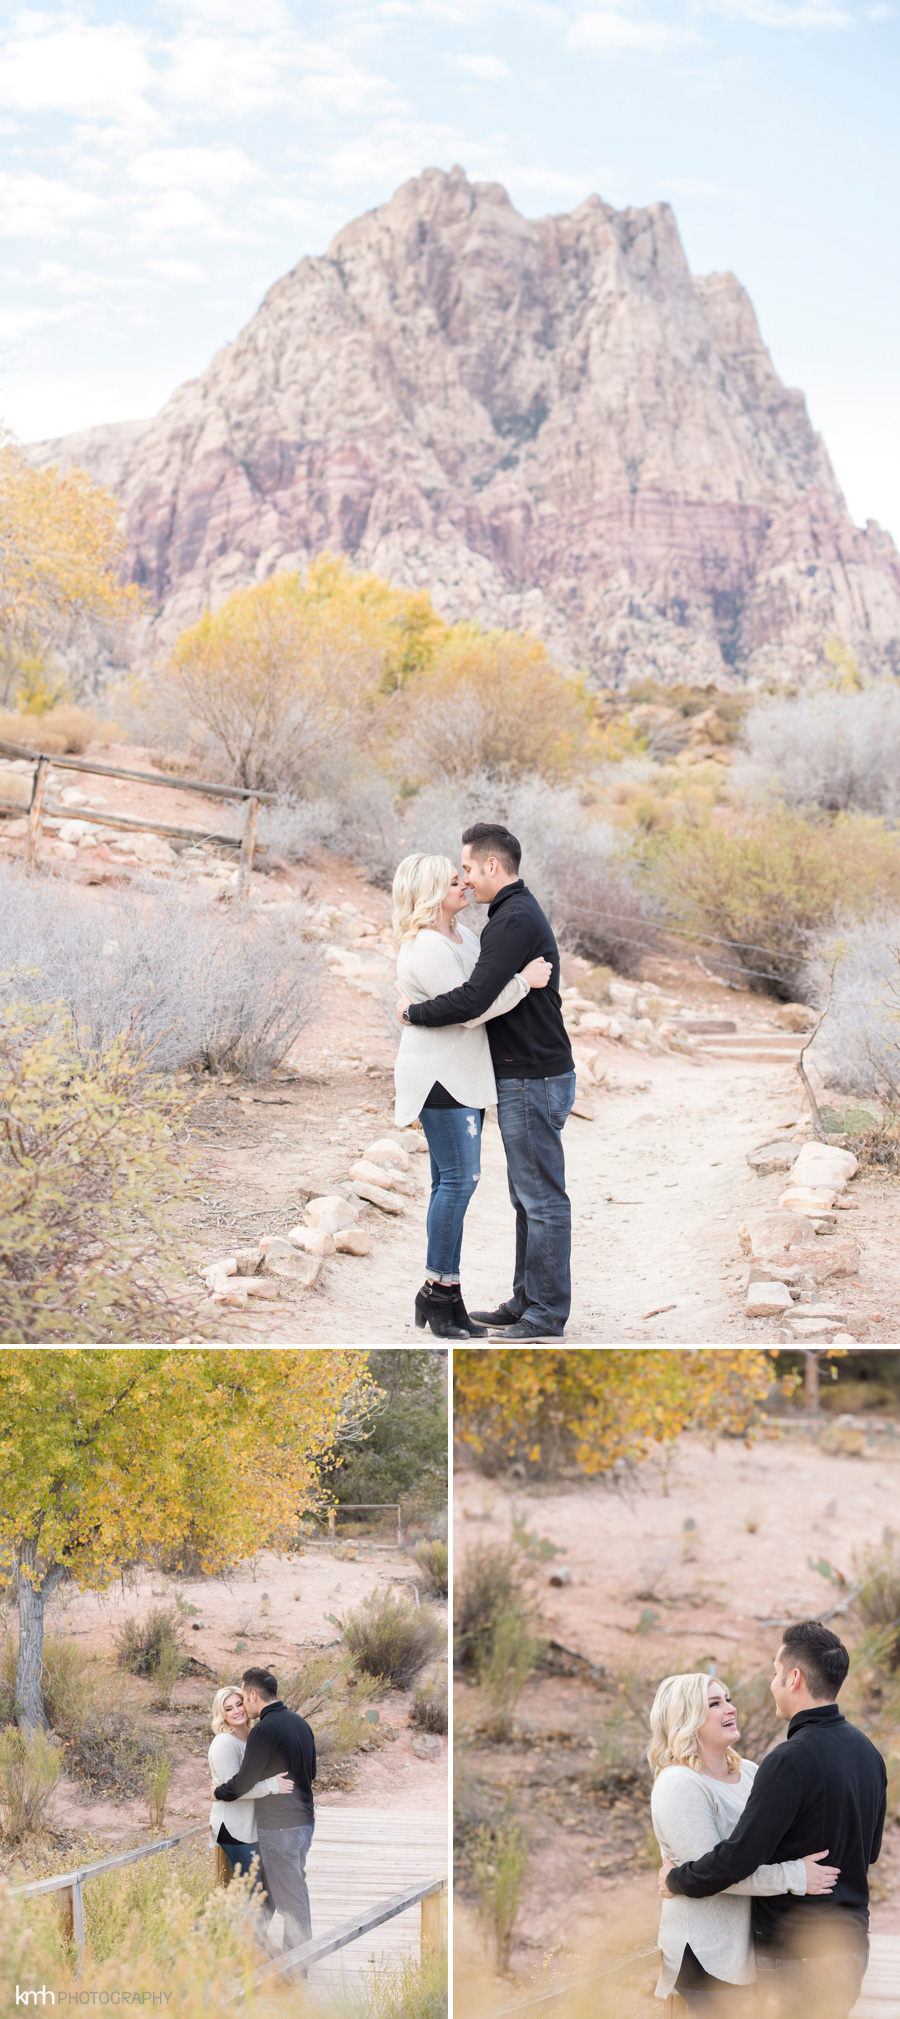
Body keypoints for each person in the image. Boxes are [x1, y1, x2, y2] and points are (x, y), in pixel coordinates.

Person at [397, 823, 575, 1341]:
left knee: (539, 1198)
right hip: (513, 1074)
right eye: (457, 877)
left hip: (532, 1075)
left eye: (469, 870)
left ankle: (543, 1313)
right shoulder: (498, 919)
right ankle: (525, 1302)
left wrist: (414, 1014)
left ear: (491, 866)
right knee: (526, 1197)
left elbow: (473, 1002)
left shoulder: (507, 920)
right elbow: (477, 997)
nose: (467, 881)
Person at [659, 1622, 888, 2019]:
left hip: (799, 1956)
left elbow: (735, 1861)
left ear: (793, 1678)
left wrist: (675, 1879)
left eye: (774, 1672)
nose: (771, 1682)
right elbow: (868, 1852)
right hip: (849, 1947)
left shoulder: (787, 1761)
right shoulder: (867, 1751)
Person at [650, 1671, 836, 2014]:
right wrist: (795, 1876)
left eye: (728, 1700)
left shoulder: (750, 1772)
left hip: (753, 1952)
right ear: (685, 1718)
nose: (730, 1709)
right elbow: (714, 1874)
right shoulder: (678, 1784)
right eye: (714, 1704)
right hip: (707, 1956)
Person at [212, 1667, 317, 1967]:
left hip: (280, 1828)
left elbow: (241, 1783)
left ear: (253, 1695)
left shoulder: (263, 1730)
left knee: (290, 1897)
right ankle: (258, 1953)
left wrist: (218, 1791)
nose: (242, 1706)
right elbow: (311, 1773)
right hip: (304, 1824)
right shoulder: (300, 1722)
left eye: (243, 1698)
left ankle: (296, 1968)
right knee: (284, 1891)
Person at [208, 1684, 293, 1891]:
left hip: (251, 1826)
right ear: (222, 1714)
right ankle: (240, 1924)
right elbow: (234, 1790)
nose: (237, 1711)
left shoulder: (252, 1737)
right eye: (229, 1708)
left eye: (239, 1704)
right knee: (254, 1887)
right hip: (233, 1827)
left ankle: (245, 1923)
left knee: (260, 1887)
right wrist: (273, 1785)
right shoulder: (224, 1743)